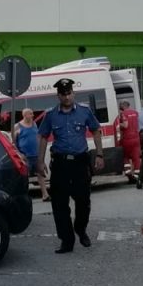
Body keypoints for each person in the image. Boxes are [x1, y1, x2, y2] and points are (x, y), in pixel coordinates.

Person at [36, 78, 104, 254]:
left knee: (83, 202)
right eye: (63, 94)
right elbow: (43, 136)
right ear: (58, 96)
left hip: (80, 162)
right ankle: (67, 240)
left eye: (69, 93)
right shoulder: (51, 115)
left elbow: (96, 130)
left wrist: (99, 154)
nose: (67, 97)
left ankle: (80, 229)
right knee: (59, 204)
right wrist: (40, 161)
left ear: (73, 93)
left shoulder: (84, 111)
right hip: (60, 164)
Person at [13, 108, 47, 201]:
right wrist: (19, 154)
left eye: (32, 113)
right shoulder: (17, 126)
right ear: (25, 115)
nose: (33, 115)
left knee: (41, 175)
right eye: (30, 114)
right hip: (25, 156)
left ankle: (45, 194)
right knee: (25, 178)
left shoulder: (34, 124)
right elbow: (13, 143)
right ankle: (25, 197)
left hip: (36, 154)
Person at [112, 98, 140, 183]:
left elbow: (124, 126)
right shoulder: (136, 113)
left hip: (126, 140)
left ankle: (129, 176)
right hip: (136, 138)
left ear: (122, 106)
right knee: (136, 158)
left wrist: (119, 126)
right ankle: (137, 176)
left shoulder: (121, 115)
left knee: (125, 158)